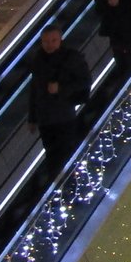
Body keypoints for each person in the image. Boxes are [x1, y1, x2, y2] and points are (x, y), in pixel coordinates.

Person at [27, 24, 90, 180]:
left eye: (53, 40)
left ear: (60, 40)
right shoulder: (38, 60)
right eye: (46, 41)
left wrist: (61, 88)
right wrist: (32, 118)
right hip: (46, 117)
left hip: (64, 115)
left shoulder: (71, 57)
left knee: (65, 153)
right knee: (53, 155)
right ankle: (60, 185)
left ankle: (69, 184)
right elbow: (34, 89)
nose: (49, 44)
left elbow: (85, 81)